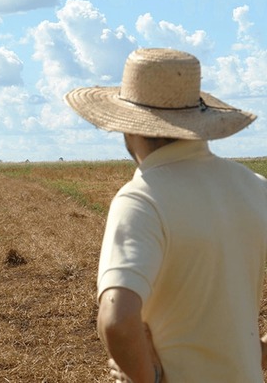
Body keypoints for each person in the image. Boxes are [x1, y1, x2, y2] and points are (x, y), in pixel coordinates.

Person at [64, 48, 267, 382]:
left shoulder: (142, 198)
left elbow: (116, 319)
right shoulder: (255, 186)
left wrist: (148, 379)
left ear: (128, 129)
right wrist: (255, 353)